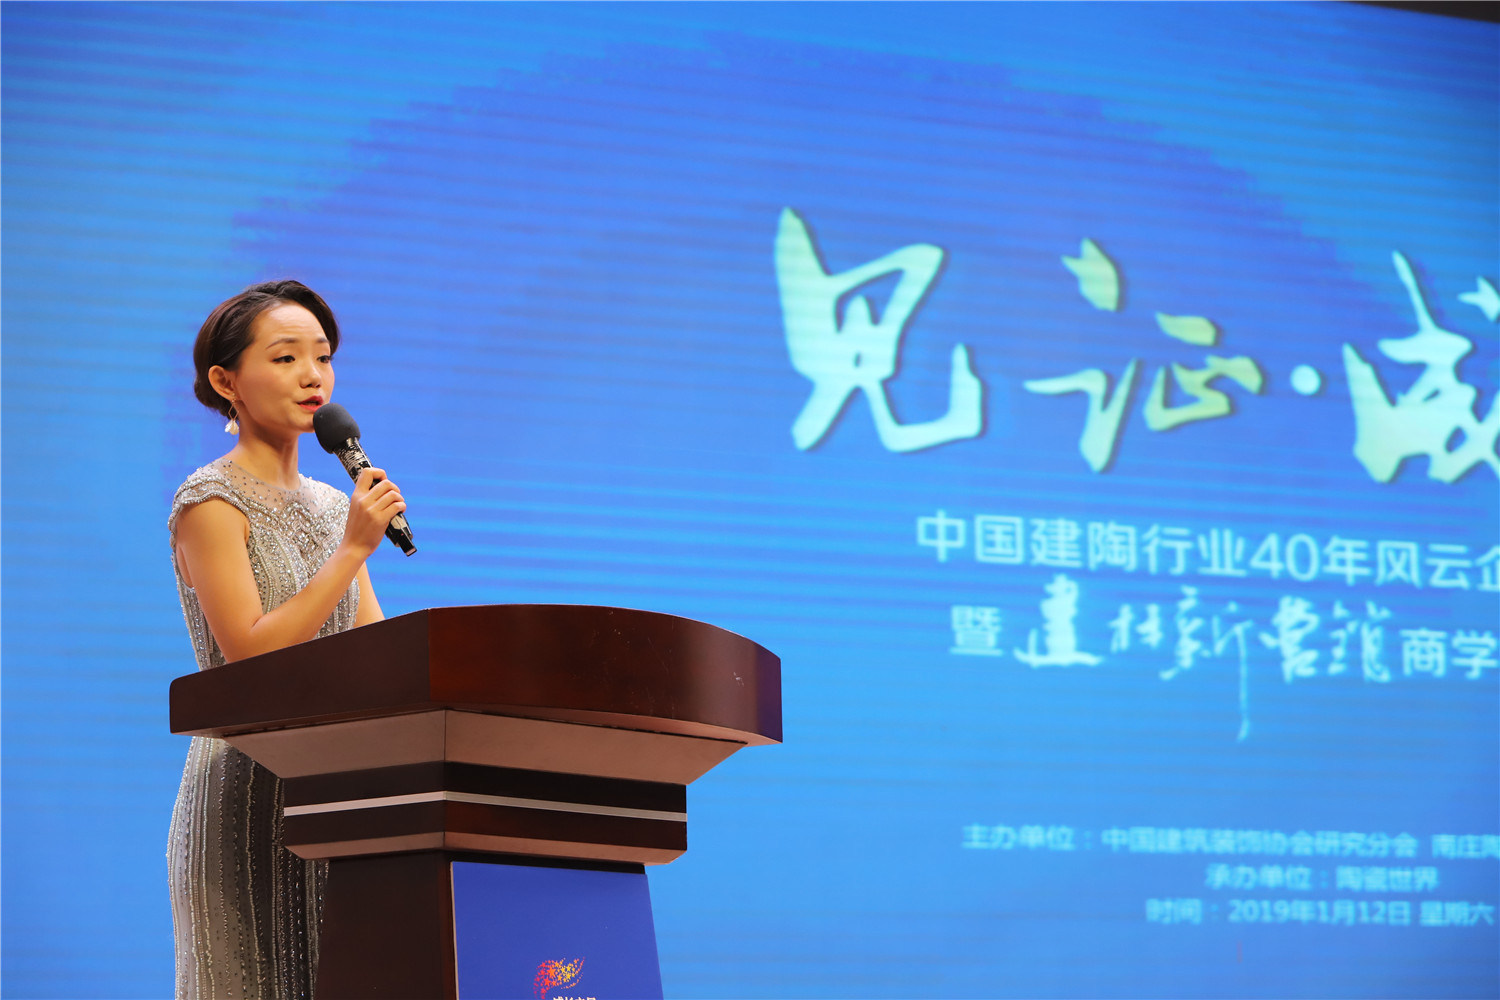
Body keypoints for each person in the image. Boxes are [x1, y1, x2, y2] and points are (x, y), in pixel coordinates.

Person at [166, 280, 406, 999]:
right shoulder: (210, 502)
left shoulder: (338, 504)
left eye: (322, 357)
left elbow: (375, 650)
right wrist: (352, 550)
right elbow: (250, 655)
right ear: (225, 382)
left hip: (336, 794)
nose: (312, 376)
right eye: (285, 357)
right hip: (245, 794)